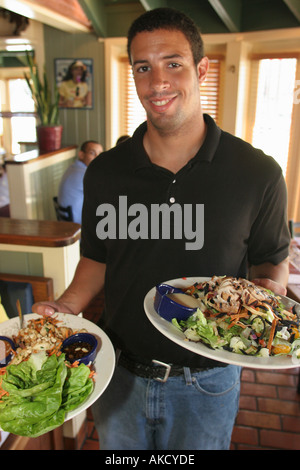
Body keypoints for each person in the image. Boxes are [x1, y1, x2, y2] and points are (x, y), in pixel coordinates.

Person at [33, 8, 290, 450]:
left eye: (173, 63)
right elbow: (97, 258)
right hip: (118, 375)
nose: (157, 83)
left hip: (208, 384)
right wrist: (65, 306)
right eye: (143, 68)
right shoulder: (106, 172)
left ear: (201, 69)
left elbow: (273, 259)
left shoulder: (257, 172)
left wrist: (267, 293)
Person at [57, 140, 103, 224]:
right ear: (81, 155)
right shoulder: (84, 174)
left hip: (66, 220)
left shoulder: (73, 168)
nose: (97, 158)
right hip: (77, 225)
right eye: (92, 153)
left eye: (100, 154)